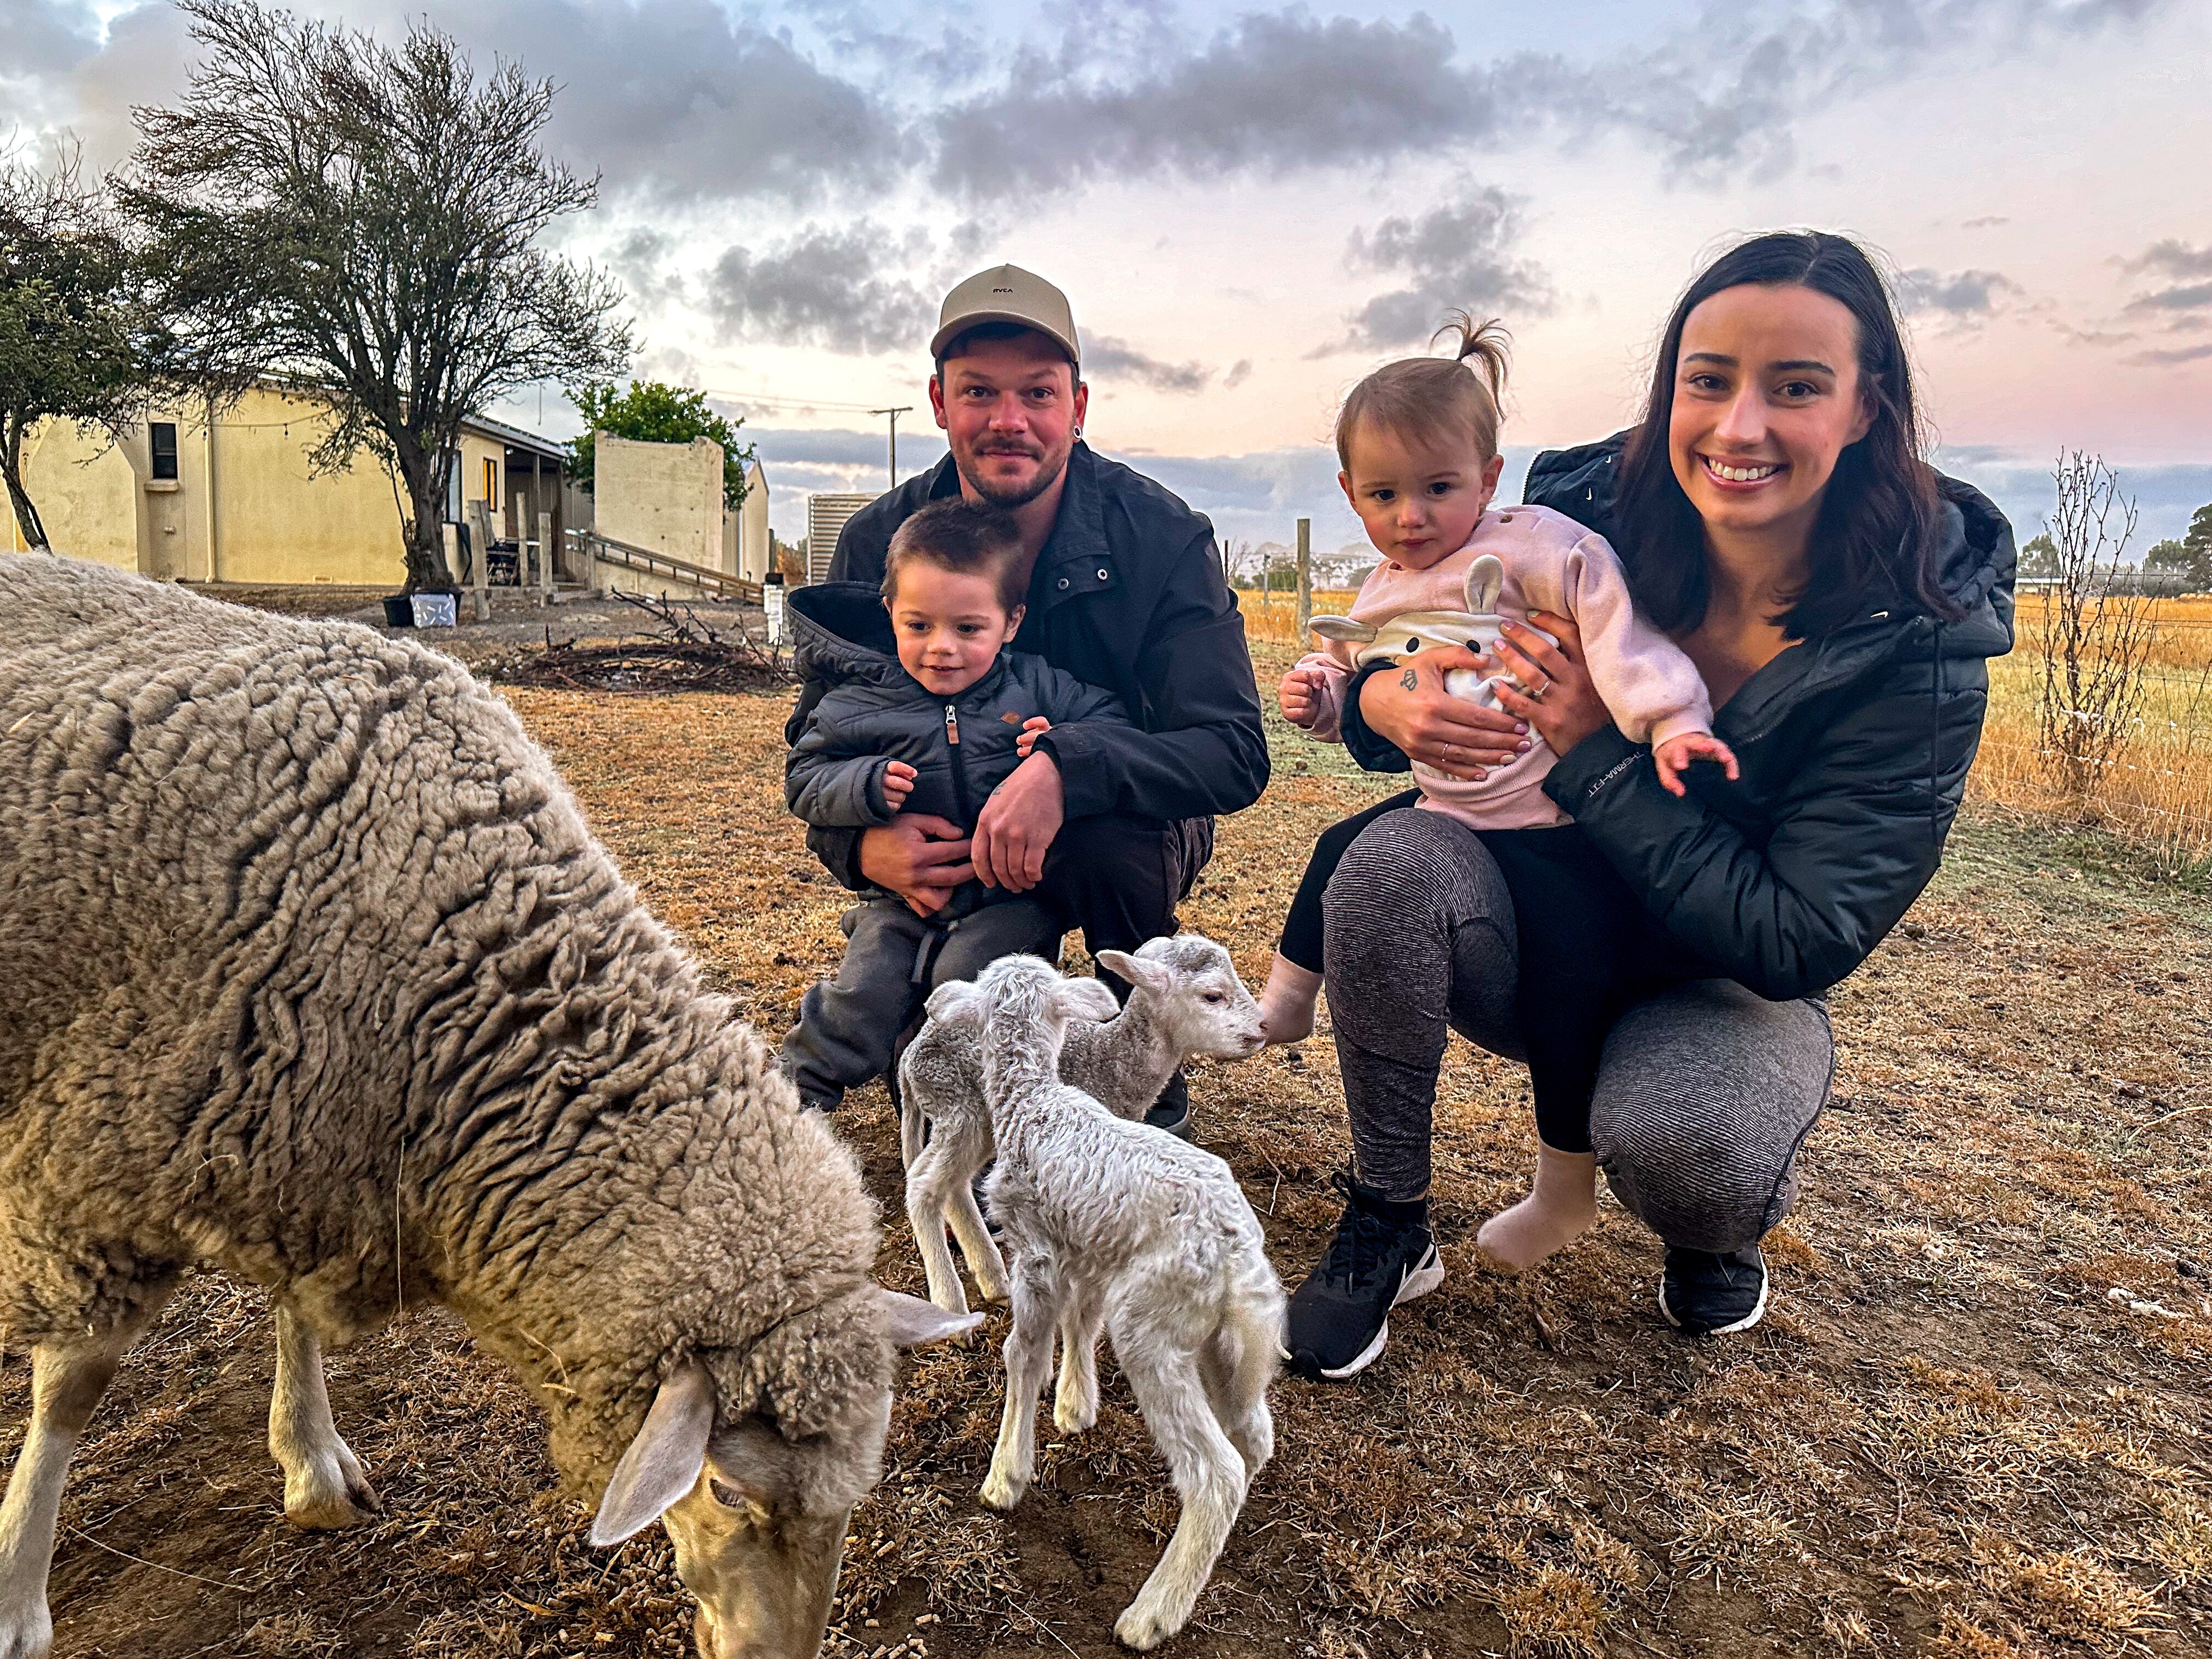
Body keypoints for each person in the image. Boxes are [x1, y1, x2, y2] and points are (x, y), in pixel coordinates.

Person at [1280, 230, 2017, 1380]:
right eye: (1708, 379)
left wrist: (1596, 755)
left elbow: (1798, 936)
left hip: (1710, 979)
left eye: (1797, 387)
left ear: (1866, 408)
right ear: (1669, 388)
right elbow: (1440, 677)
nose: (1739, 426)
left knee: (1693, 1145)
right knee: (1384, 861)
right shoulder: (1581, 524)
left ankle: (1706, 1223)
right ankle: (1388, 1215)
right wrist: (1379, 700)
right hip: (1534, 916)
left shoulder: (1915, 645)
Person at [788, 264, 1268, 1135]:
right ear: (939, 402)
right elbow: (818, 734)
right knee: (924, 1064)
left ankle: (1144, 1079)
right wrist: (862, 847)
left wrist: (1067, 765)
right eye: (980, 392)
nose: (1009, 420)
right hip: (942, 822)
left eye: (1038, 393)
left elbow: (1232, 752)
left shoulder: (1163, 537)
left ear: (1078, 406)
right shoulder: (875, 543)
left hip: (1120, 828)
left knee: (1102, 833)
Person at [1260, 315, 1741, 1154]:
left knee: (1566, 983)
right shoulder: (1381, 586)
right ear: (1349, 492)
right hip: (1447, 813)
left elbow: (1618, 631)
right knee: (1340, 851)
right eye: (1383, 496)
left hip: (1552, 823)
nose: (1411, 518)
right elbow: (1348, 667)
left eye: (1438, 489)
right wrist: (1327, 699)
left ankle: (1562, 1178)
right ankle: (1286, 1000)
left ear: (1487, 478)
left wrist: (1670, 721)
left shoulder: (1539, 549)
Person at [778, 500, 1131, 1112]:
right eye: (919, 626)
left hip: (1008, 902)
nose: (942, 649)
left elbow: (1112, 723)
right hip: (896, 902)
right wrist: (862, 784)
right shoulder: (860, 700)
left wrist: (1060, 748)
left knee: (974, 995)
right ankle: (789, 1106)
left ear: (1011, 621)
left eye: (968, 629)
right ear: (890, 614)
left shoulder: (1037, 686)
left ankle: (964, 1122)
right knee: (861, 997)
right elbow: (804, 777)